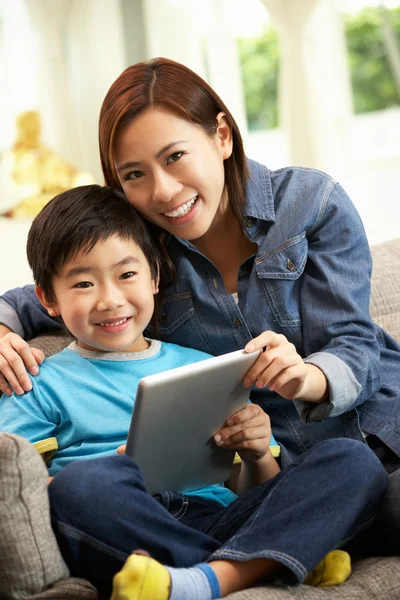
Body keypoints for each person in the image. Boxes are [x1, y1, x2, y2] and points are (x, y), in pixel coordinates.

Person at [0, 184, 387, 600]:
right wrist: (116, 472)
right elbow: (19, 485)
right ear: (48, 299)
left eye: (126, 274)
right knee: (81, 487)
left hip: (221, 517)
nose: (110, 300)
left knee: (352, 460)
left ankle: (205, 579)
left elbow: (253, 490)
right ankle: (269, 562)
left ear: (154, 276)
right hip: (131, 526)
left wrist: (257, 453)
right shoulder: (35, 381)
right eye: (83, 284)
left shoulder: (204, 366)